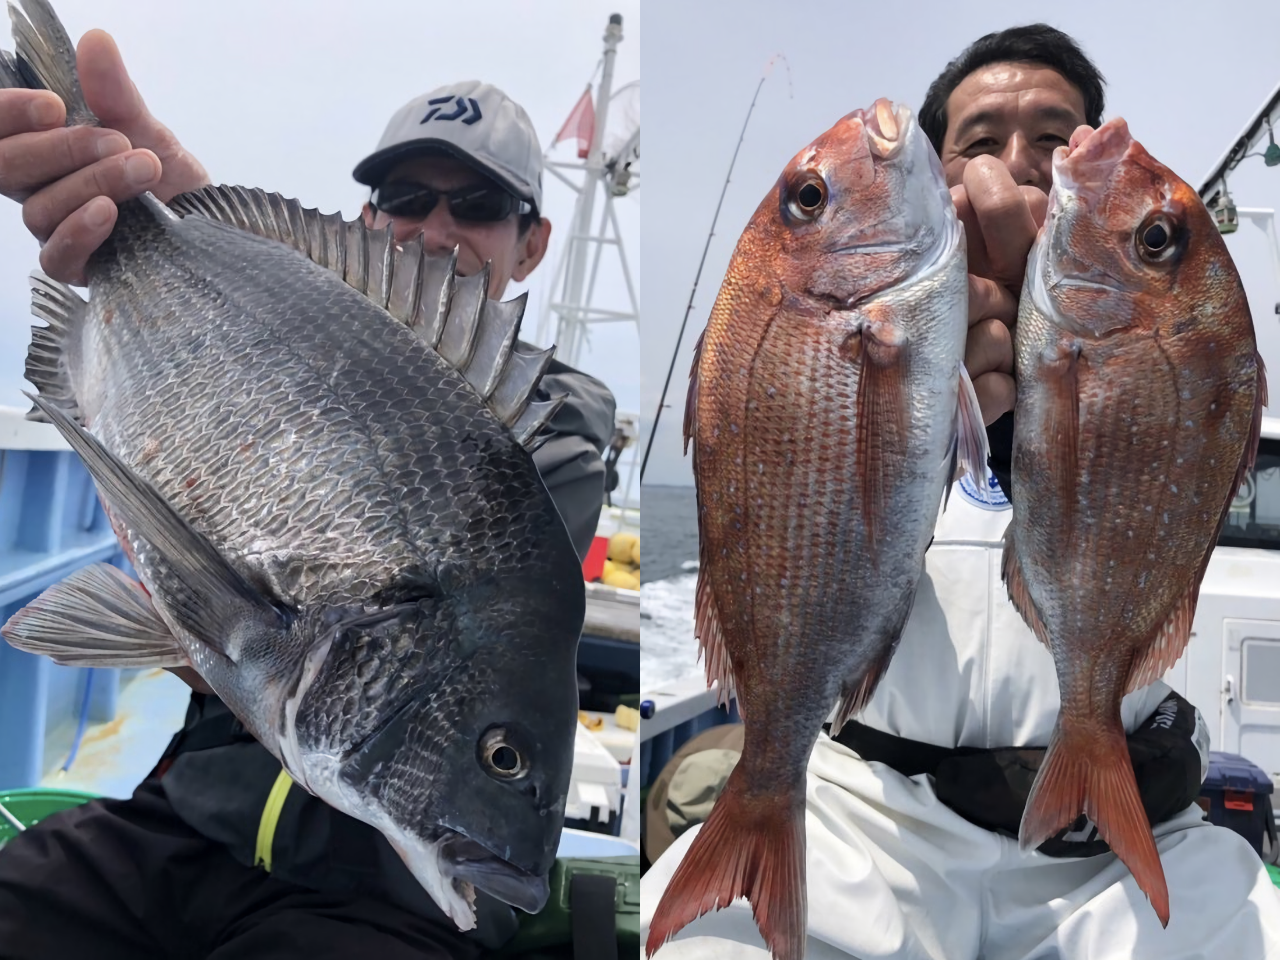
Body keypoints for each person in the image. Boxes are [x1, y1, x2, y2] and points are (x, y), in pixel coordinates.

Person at [640, 24, 1280, 960]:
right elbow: (802, 477)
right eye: (978, 142)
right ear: (937, 180)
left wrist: (1046, 427)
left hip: (1118, 844)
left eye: (1055, 141)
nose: (1015, 166)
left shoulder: (1144, 341)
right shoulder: (869, 324)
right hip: (868, 816)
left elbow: (1180, 468)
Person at [0, 26, 617, 960]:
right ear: (367, 221)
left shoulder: (557, 433)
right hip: (183, 827)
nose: (436, 229)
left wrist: (244, 639)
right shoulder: (288, 334)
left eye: (479, 204)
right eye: (406, 198)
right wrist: (167, 216)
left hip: (375, 908)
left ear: (532, 243)